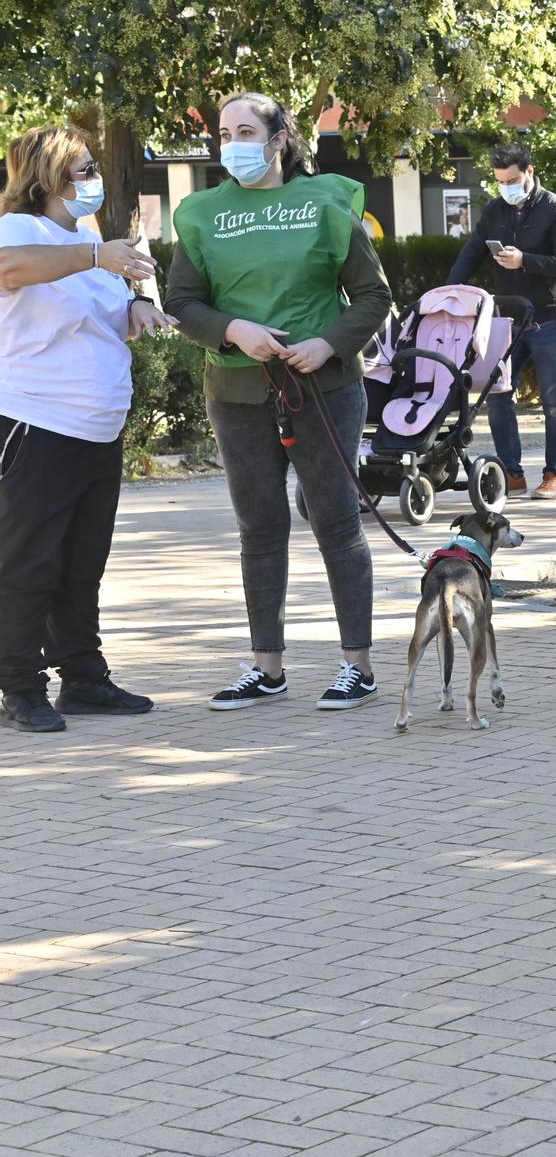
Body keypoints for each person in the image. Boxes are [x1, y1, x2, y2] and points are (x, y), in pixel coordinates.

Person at [163, 92, 394, 712]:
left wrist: (328, 344)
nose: (231, 142)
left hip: (324, 388)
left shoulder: (327, 201)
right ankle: (267, 668)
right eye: (223, 131)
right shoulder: (202, 213)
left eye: (245, 130)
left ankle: (358, 667)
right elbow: (182, 300)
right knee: (258, 528)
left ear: (276, 138)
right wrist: (234, 331)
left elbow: (374, 297)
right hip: (236, 390)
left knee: (336, 522)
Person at [0, 126, 174, 733]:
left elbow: (94, 314)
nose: (94, 178)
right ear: (45, 178)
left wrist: (135, 306)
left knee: (82, 563)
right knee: (28, 563)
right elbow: (11, 270)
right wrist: (99, 257)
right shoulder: (20, 231)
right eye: (83, 168)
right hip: (38, 422)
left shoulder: (87, 239)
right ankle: (20, 689)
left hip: (98, 429)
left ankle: (83, 679)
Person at [446, 144, 556, 499]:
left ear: (530, 172)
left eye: (513, 180)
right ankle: (511, 472)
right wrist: (448, 292)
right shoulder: (494, 210)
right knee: (497, 392)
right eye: (500, 181)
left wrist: (526, 260)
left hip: (550, 316)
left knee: (554, 400)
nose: (507, 187)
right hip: (507, 318)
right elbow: (473, 250)